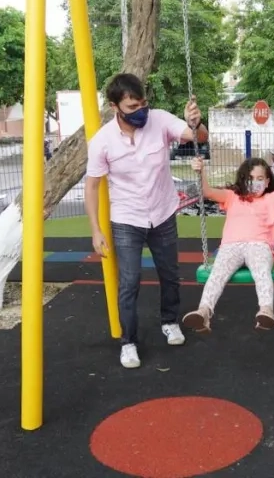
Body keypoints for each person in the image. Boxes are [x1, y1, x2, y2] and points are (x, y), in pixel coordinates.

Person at [85, 73, 208, 369]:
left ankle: (169, 322)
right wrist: (96, 230)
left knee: (170, 273)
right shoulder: (102, 142)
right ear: (115, 107)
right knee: (129, 281)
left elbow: (198, 137)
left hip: (163, 212)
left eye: (142, 103)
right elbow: (91, 186)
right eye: (132, 106)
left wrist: (196, 122)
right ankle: (128, 342)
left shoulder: (160, 120)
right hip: (127, 218)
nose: (140, 110)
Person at [182, 149, 274, 332]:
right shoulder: (232, 196)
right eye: (251, 178)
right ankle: (204, 312)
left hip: (259, 245)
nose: (255, 182)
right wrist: (200, 171)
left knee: (262, 273)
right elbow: (206, 191)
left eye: (260, 178)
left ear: (267, 181)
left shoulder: (272, 198)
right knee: (217, 274)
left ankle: (266, 310)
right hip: (231, 246)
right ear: (243, 179)